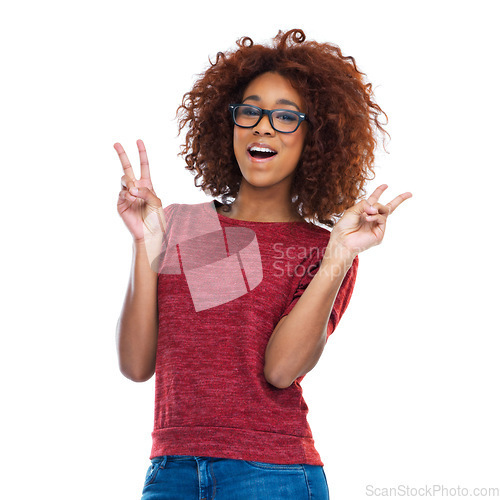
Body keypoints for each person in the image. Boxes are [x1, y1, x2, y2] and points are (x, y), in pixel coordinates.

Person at [114, 28, 412, 500]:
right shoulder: (181, 224)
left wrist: (339, 254)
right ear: (228, 123)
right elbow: (134, 364)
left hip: (272, 475)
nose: (264, 126)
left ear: (315, 138)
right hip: (169, 469)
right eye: (250, 110)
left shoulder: (324, 248)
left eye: (286, 117)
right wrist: (144, 242)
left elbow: (280, 370)